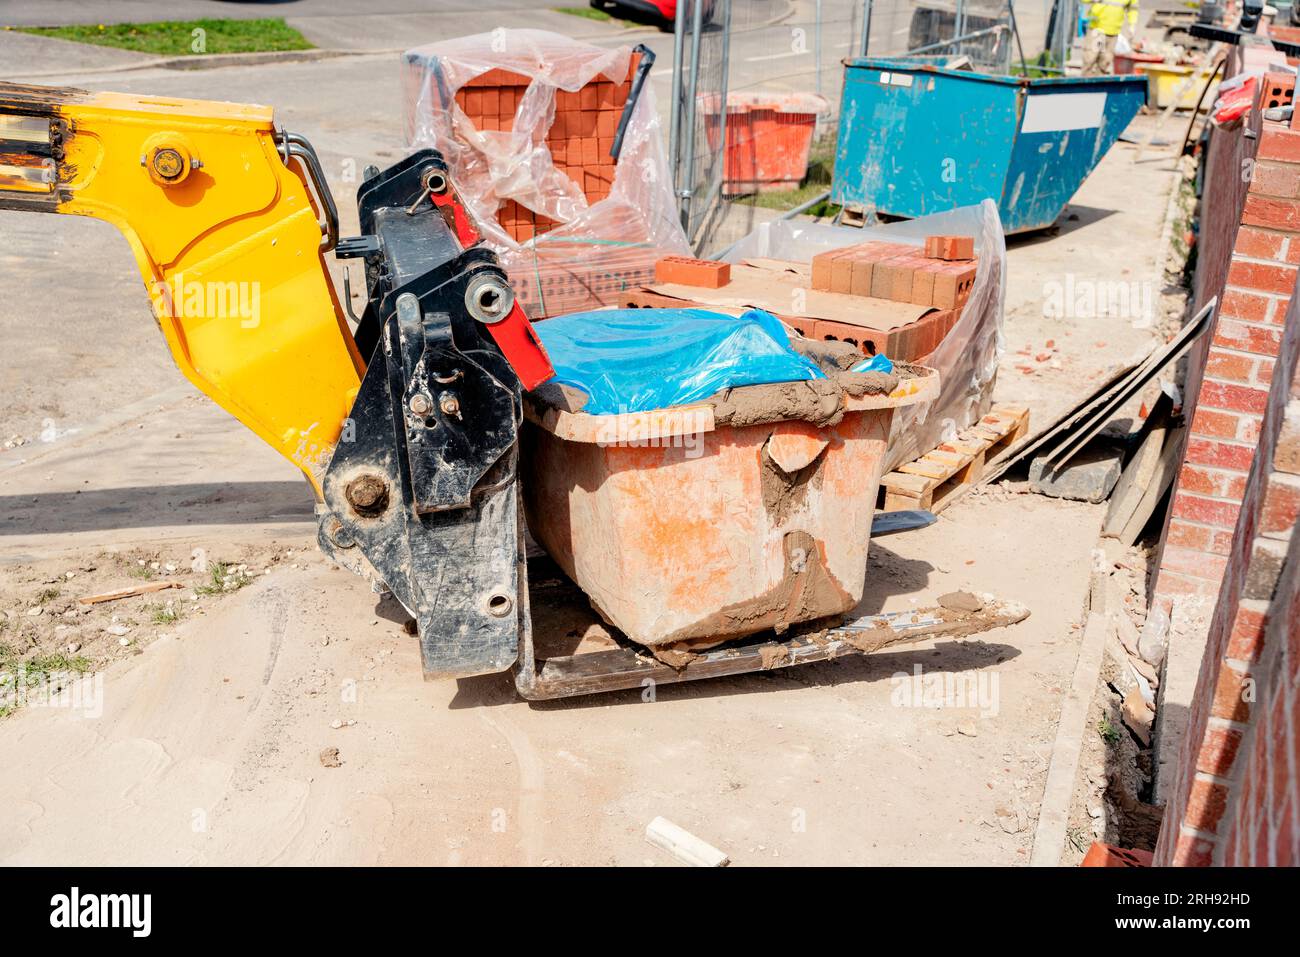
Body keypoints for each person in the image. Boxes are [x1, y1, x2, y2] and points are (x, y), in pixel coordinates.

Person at [1083, 0, 1139, 76]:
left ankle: (1098, 85)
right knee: (1090, 60)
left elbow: (1133, 8)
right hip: (1097, 29)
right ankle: (1085, 85)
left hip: (1113, 32)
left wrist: (1132, 24)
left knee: (1105, 62)